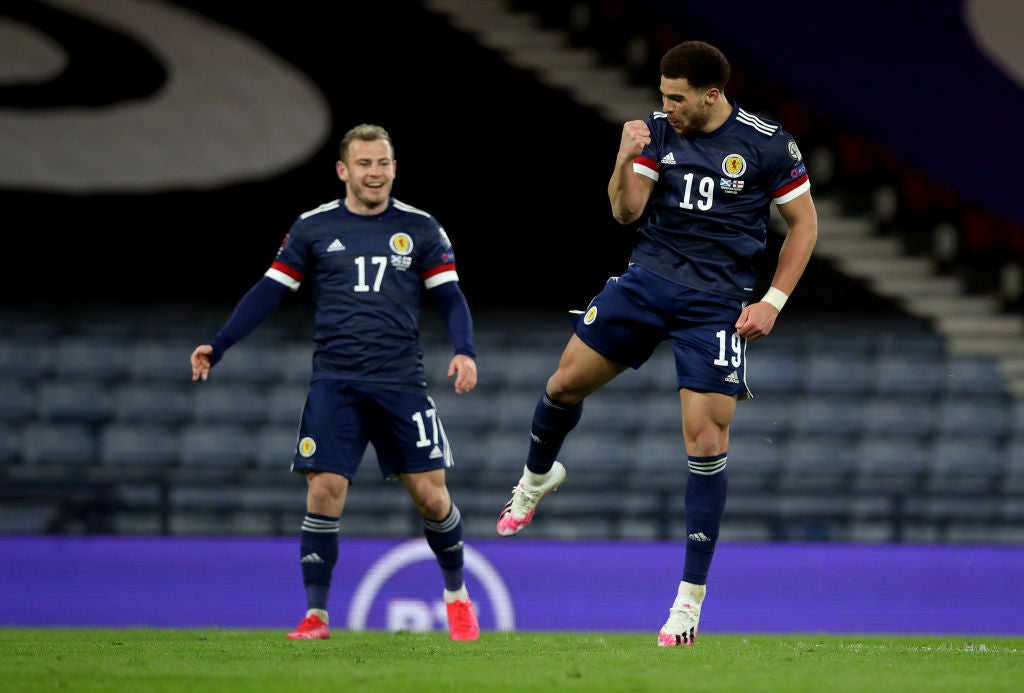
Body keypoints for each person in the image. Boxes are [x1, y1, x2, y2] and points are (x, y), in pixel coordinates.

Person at [495, 41, 818, 646]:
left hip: (716, 304)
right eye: (663, 95)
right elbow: (626, 212)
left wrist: (772, 302)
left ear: (712, 95)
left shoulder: (767, 143)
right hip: (646, 283)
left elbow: (804, 225)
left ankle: (688, 604)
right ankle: (536, 478)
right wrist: (624, 158)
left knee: (704, 440)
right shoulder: (660, 132)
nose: (666, 106)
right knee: (562, 384)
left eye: (677, 97)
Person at [190, 123, 481, 642]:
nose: (376, 173)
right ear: (343, 170)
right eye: (365, 164)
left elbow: (451, 297)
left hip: (401, 382)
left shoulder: (421, 228)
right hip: (335, 381)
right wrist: (220, 342)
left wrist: (464, 351)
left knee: (433, 499)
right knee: (323, 492)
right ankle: (316, 616)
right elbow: (268, 291)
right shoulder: (312, 227)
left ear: (395, 168)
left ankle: (457, 598)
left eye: (384, 163)